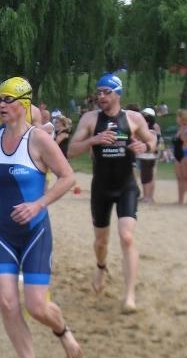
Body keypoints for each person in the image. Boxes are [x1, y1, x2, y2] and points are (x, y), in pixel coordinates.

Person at [0, 77, 82, 358]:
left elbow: (68, 177)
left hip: (34, 233)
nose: (0, 105)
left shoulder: (39, 139)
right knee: (7, 303)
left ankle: (63, 332)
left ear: (23, 104)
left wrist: (39, 204)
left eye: (7, 99)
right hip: (2, 233)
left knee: (36, 306)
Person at [67, 73, 156, 314]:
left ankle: (129, 296)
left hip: (126, 186)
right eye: (99, 92)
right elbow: (71, 150)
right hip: (101, 188)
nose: (102, 96)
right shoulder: (90, 119)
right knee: (101, 242)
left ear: (118, 94)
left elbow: (153, 141)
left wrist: (145, 145)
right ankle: (101, 266)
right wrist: (94, 140)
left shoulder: (134, 118)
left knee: (126, 237)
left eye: (107, 92)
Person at [138, 108, 161, 203]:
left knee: (146, 177)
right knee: (150, 176)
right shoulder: (156, 127)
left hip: (146, 155)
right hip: (152, 155)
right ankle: (149, 196)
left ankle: (147, 197)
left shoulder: (147, 128)